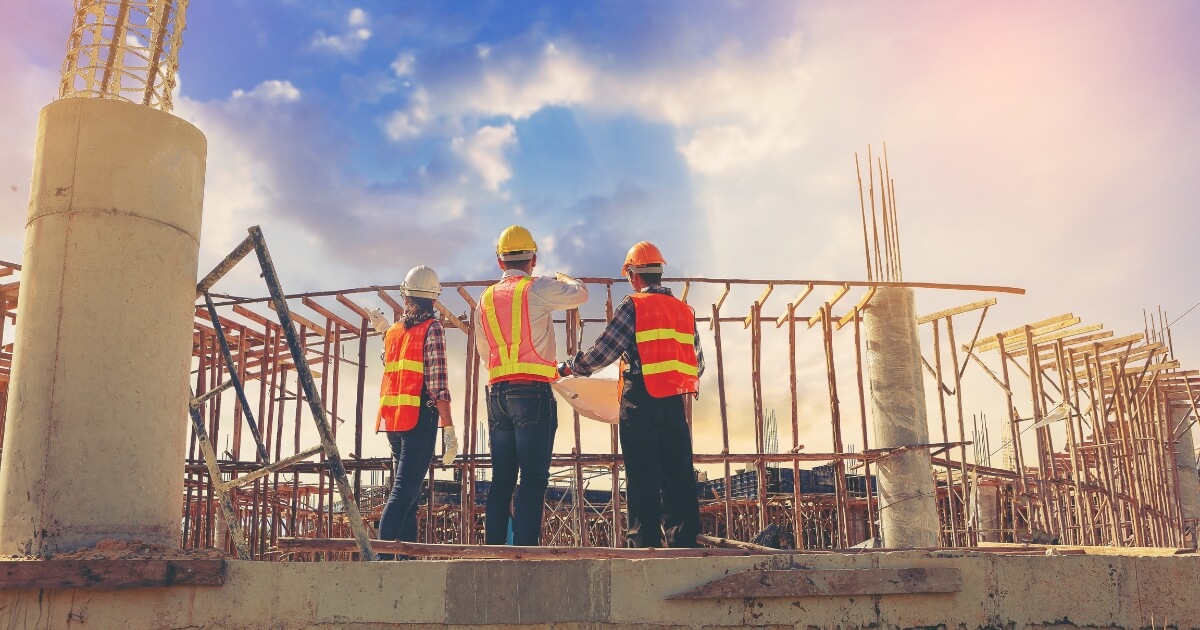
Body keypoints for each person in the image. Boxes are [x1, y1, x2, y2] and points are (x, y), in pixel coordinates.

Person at [560, 241, 704, 548]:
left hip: (640, 398)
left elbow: (604, 352)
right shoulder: (684, 310)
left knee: (642, 474)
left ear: (632, 275)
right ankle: (684, 542)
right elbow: (698, 364)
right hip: (674, 401)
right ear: (660, 272)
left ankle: (645, 543)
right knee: (678, 473)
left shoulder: (634, 305)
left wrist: (571, 367)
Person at [476, 225, 588, 545]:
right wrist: (563, 277)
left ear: (500, 261)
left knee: (502, 480)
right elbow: (580, 294)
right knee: (533, 478)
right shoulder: (536, 288)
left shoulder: (484, 299)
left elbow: (484, 352)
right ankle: (525, 553)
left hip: (498, 393)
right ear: (533, 259)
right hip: (532, 393)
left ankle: (494, 551)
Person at [375, 265, 458, 552]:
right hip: (418, 420)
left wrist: (383, 332)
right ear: (434, 299)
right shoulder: (432, 328)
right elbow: (438, 384)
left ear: (405, 296)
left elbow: (389, 361)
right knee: (403, 493)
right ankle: (382, 561)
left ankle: (406, 562)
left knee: (409, 499)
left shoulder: (394, 331)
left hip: (393, 422)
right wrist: (449, 428)